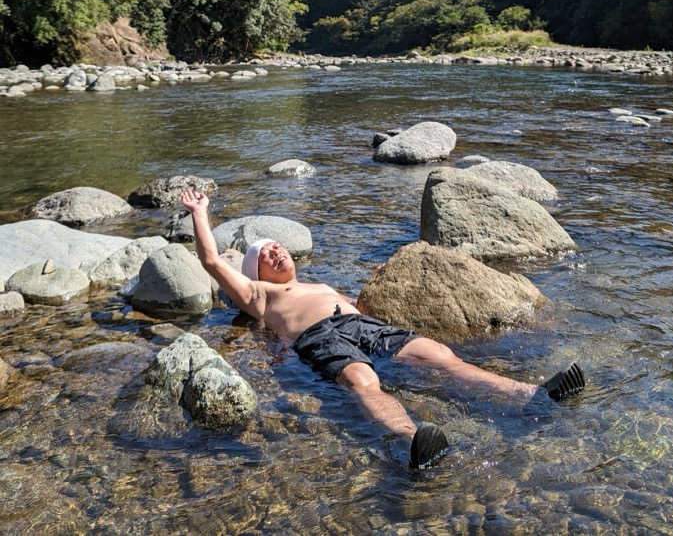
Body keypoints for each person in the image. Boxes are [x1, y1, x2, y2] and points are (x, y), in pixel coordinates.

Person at [180, 189, 585, 469]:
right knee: (362, 380)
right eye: (265, 252)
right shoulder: (258, 294)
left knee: (440, 356)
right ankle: (412, 440)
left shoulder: (319, 284)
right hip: (318, 337)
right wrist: (200, 213)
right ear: (255, 270)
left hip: (360, 323)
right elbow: (213, 262)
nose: (275, 248)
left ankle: (532, 395)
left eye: (277, 245)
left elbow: (368, 304)